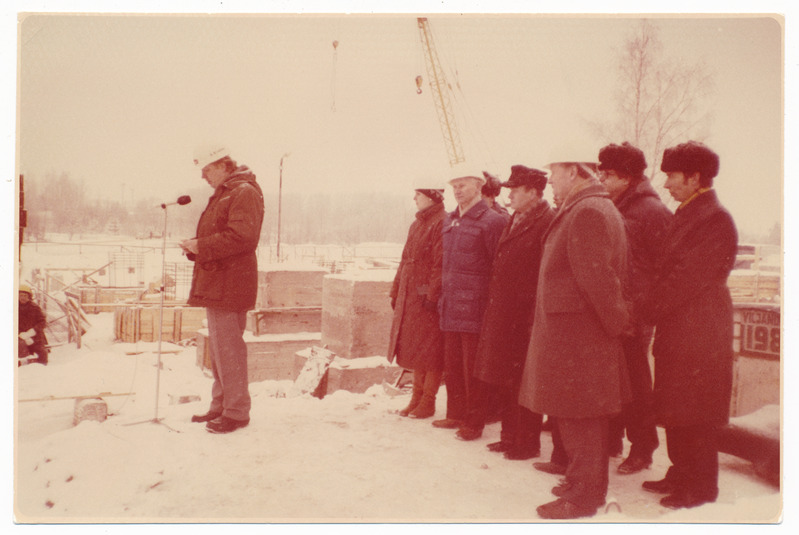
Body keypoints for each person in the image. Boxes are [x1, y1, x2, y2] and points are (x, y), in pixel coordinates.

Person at [519, 148, 631, 520]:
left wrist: (617, 326)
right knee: (575, 416)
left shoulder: (587, 212)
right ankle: (579, 483)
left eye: (554, 171)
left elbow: (599, 281)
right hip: (574, 338)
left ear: (573, 171)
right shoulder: (588, 207)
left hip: (578, 341)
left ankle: (584, 497)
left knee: (583, 420)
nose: (549, 178)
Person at [640, 141, 737, 509]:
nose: (666, 184)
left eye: (672, 175)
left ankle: (700, 487)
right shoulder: (690, 211)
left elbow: (684, 279)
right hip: (682, 329)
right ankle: (681, 472)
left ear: (695, 177)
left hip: (700, 332)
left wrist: (647, 309)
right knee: (678, 406)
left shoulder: (714, 219)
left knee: (696, 412)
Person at [457, 165, 555, 460]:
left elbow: (542, 272)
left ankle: (526, 443)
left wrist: (529, 313)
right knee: (507, 379)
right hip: (505, 313)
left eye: (516, 190)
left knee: (524, 381)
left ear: (534, 193)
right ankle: (510, 436)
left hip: (523, 315)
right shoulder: (517, 218)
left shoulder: (545, 221)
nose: (509, 195)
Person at [598, 142, 673, 474]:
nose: (602, 179)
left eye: (609, 174)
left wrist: (642, 310)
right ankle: (612, 440)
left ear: (628, 177)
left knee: (637, 386)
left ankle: (642, 449)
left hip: (635, 315)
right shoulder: (618, 206)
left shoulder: (651, 212)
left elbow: (665, 269)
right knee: (613, 381)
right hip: (615, 311)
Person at [181, 146, 265, 434]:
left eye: (206, 170)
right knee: (219, 351)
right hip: (220, 282)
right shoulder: (228, 192)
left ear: (221, 165)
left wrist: (201, 246)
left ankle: (237, 412)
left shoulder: (243, 192)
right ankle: (221, 405)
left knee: (229, 350)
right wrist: (196, 248)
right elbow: (223, 235)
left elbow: (242, 237)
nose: (203, 177)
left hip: (230, 284)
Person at [434, 167, 506, 432]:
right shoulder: (451, 220)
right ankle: (455, 413)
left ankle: (474, 421)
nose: (457, 190)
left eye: (462, 185)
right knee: (452, 365)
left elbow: (498, 268)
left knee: (473, 367)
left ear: (478, 186)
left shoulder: (492, 221)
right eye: (454, 186)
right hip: (451, 304)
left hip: (475, 306)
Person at [387, 182, 446, 419]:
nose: (414, 199)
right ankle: (416, 398)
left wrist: (432, 295)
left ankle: (428, 401)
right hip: (412, 297)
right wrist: (396, 290)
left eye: (418, 195)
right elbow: (404, 261)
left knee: (430, 351)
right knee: (417, 349)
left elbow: (439, 264)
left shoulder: (441, 222)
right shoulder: (417, 224)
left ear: (432, 197)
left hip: (425, 298)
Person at [18, 284, 49, 365]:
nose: (23, 298)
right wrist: (20, 334)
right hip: (18, 337)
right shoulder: (13, 307)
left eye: (25, 295)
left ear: (29, 296)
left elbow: (42, 322)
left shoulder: (34, 308)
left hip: (35, 337)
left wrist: (32, 332)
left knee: (42, 354)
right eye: (21, 295)